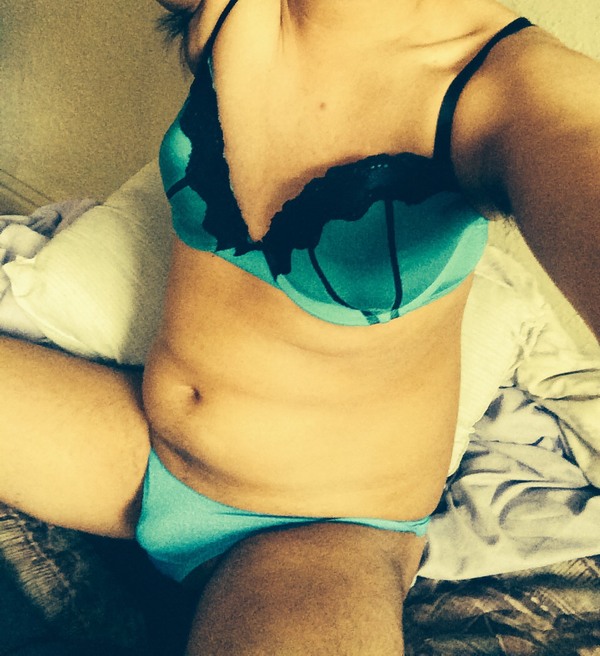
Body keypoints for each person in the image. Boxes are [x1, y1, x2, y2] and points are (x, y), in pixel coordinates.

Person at [1, 0, 599, 653]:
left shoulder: (516, 87)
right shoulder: (236, 13)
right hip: (142, 450)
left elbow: (577, 146)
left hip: (320, 528)